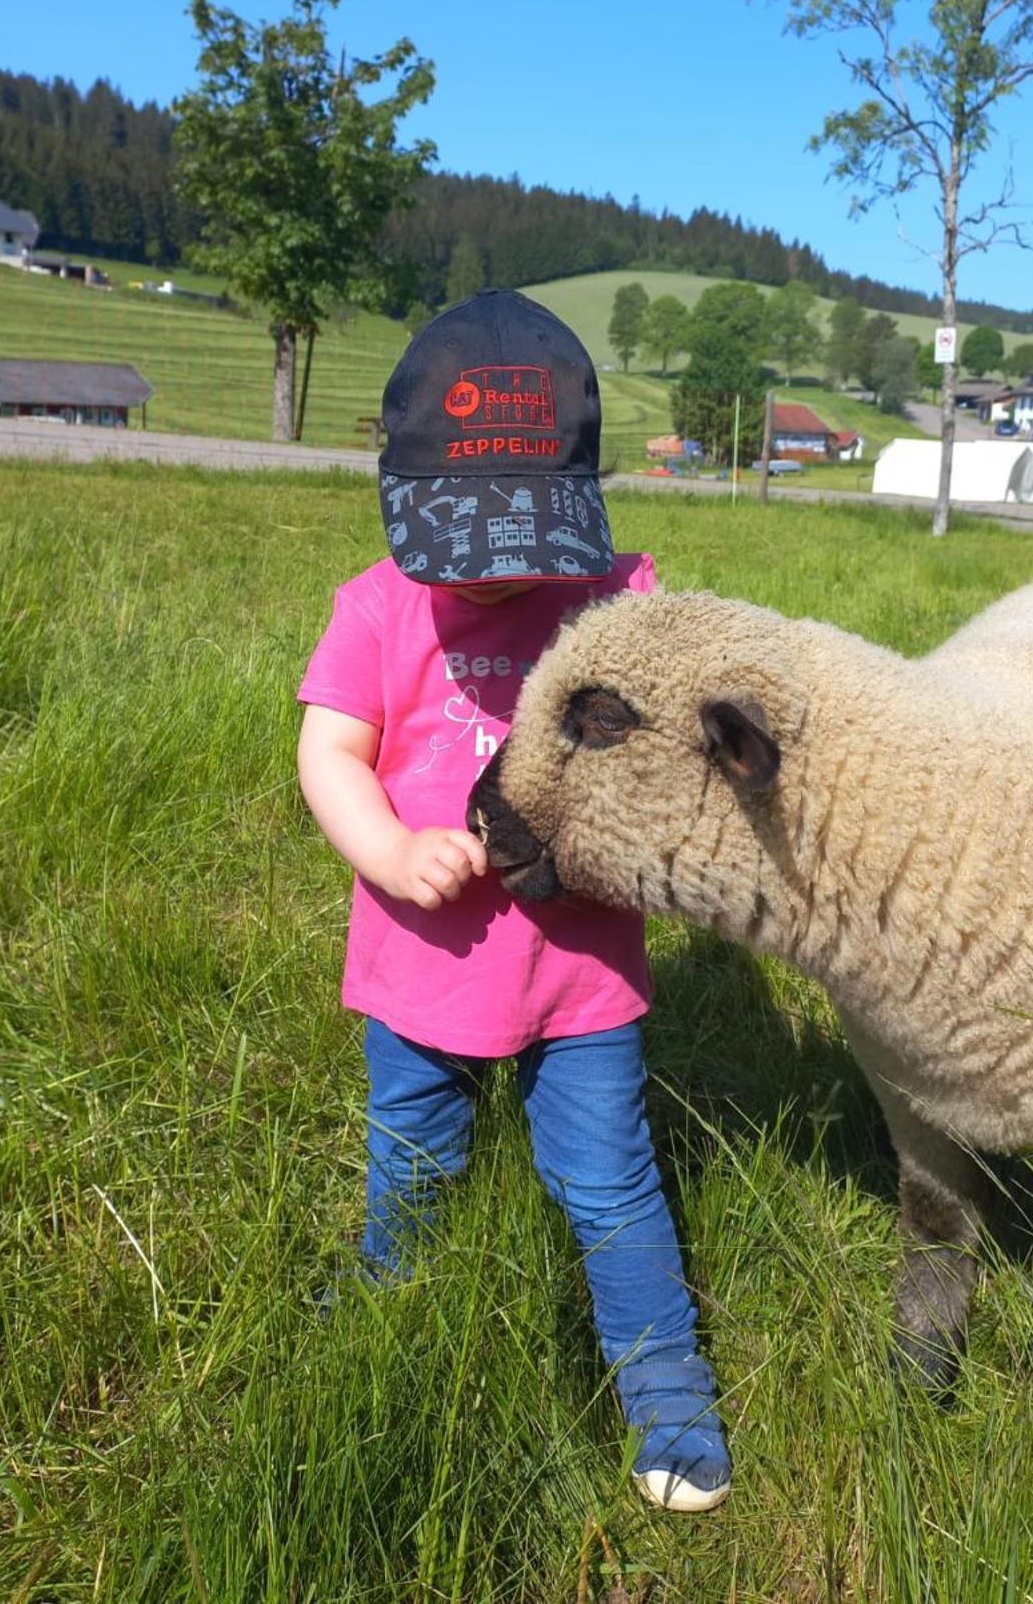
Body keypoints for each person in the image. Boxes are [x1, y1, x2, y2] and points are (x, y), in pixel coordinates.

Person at [296, 290, 731, 1514]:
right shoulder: (376, 606)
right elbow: (329, 751)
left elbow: (675, 747)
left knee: (610, 1183)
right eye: (463, 551)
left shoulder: (618, 600)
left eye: (521, 544)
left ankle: (664, 1386)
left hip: (579, 978)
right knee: (414, 1163)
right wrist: (386, 849)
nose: (496, 576)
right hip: (419, 965)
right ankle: (394, 1289)